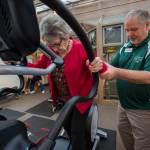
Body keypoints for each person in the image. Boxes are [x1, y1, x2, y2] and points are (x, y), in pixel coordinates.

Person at [27, 14, 97, 150]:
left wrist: (94, 66)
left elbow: (98, 66)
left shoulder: (80, 48)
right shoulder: (50, 52)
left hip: (80, 100)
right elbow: (38, 67)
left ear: (65, 36)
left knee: (77, 131)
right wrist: (19, 63)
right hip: (63, 100)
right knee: (67, 127)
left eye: (56, 44)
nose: (54, 48)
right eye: (50, 45)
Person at [89, 9, 150, 150]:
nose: (129, 35)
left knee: (143, 145)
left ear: (147, 25)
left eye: (133, 29)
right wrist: (100, 63)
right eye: (127, 30)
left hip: (143, 109)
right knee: (123, 139)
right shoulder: (126, 46)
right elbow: (111, 65)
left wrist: (116, 72)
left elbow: (148, 76)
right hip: (123, 105)